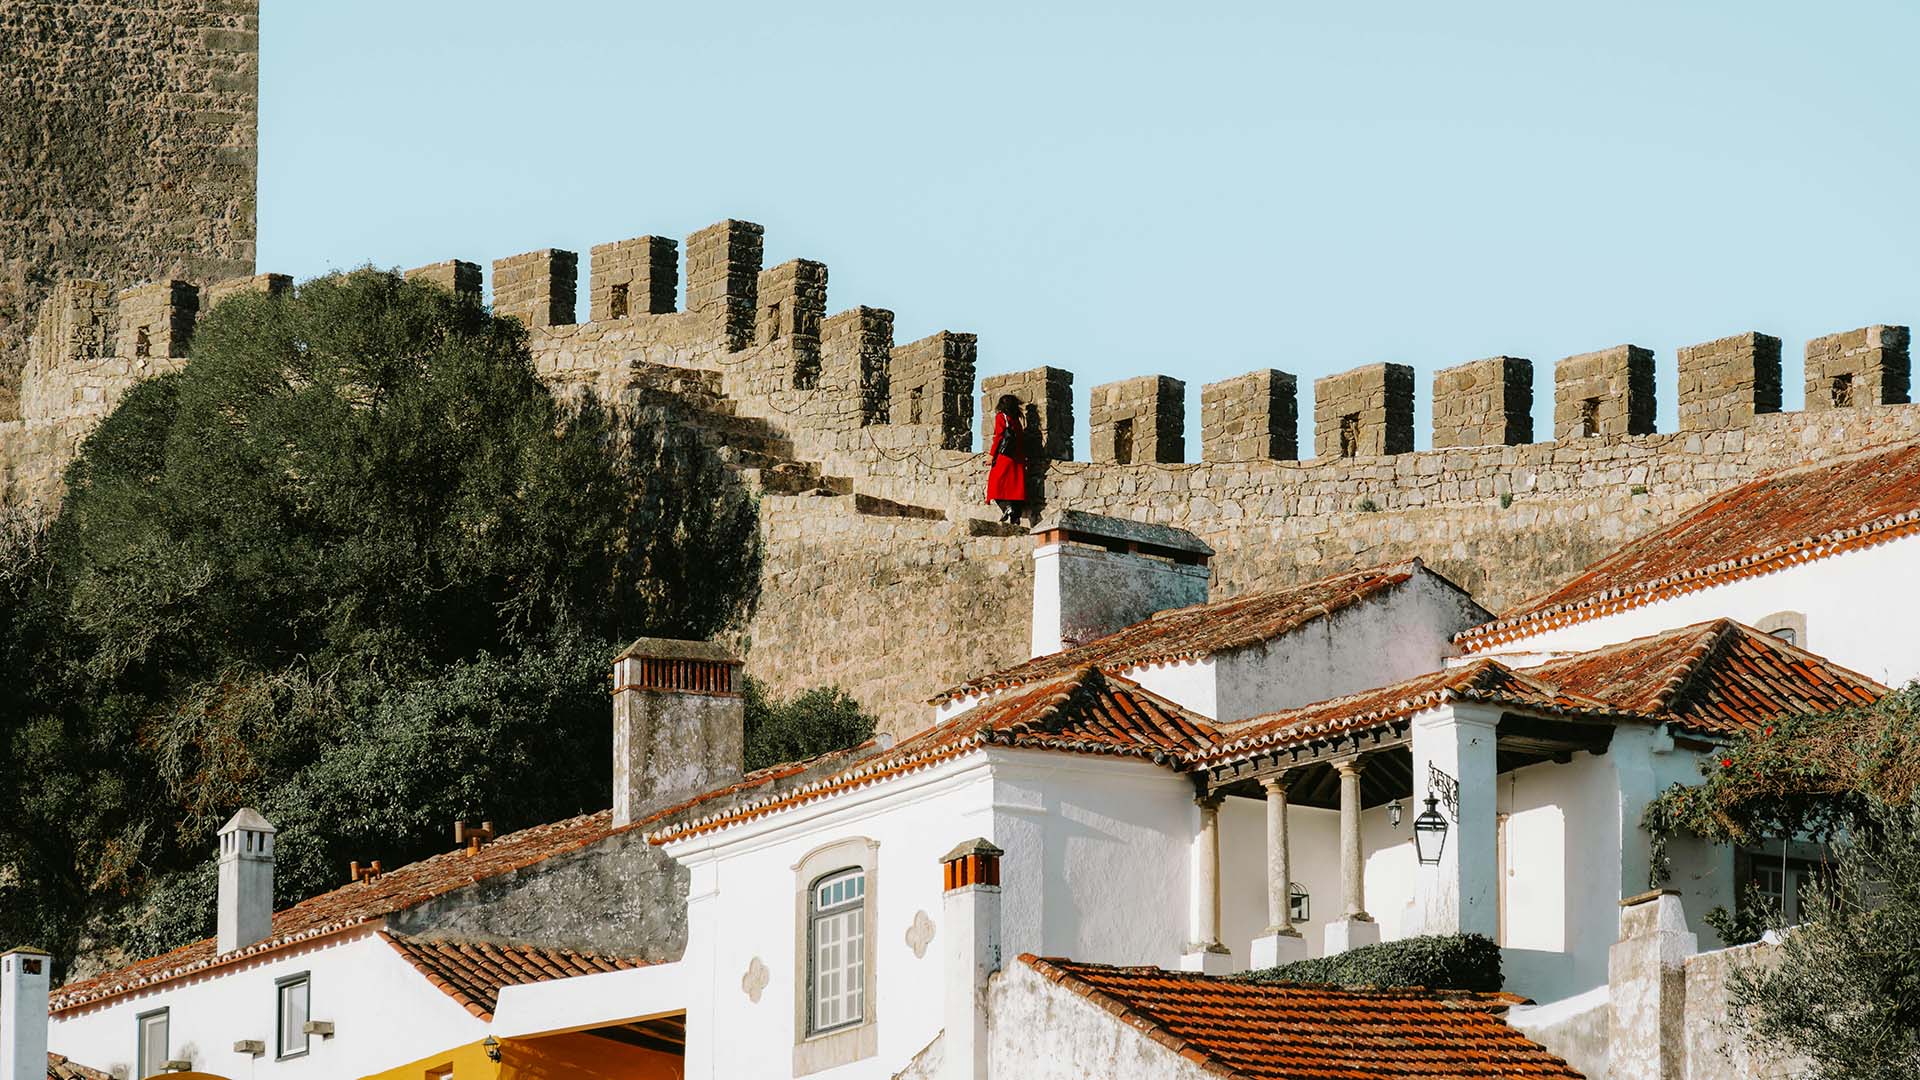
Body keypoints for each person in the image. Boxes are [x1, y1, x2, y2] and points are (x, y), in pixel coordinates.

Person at [987, 393, 1028, 524]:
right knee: (1015, 489)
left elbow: (999, 437)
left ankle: (1006, 507)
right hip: (1018, 459)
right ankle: (1015, 519)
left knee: (994, 485)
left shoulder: (1001, 417)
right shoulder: (1016, 421)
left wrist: (991, 455)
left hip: (1005, 457)